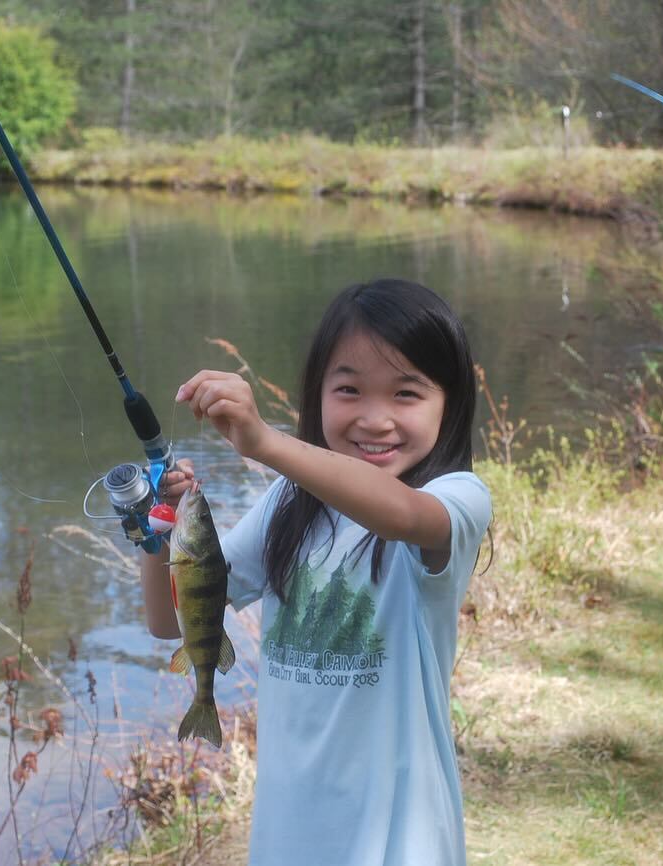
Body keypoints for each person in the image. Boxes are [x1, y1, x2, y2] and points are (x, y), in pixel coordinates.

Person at [142, 278, 493, 866]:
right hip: (290, 828)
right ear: (319, 394)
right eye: (349, 389)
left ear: (449, 404)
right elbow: (166, 622)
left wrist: (266, 442)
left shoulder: (455, 498)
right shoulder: (289, 502)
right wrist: (158, 533)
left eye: (406, 394)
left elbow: (403, 514)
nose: (376, 419)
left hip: (398, 839)